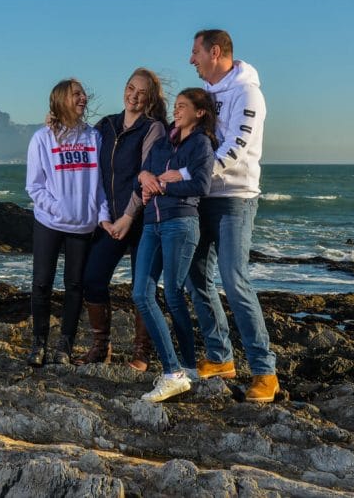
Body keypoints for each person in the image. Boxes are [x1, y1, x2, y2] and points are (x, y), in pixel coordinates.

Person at [182, 28, 280, 403]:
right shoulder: (207, 96)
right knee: (194, 276)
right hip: (203, 197)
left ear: (215, 52)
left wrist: (190, 175)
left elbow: (236, 147)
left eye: (195, 52)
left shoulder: (248, 93)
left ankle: (264, 371)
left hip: (235, 198)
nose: (191, 59)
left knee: (234, 280)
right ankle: (221, 357)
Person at [76, 68, 167, 369]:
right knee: (92, 278)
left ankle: (142, 352)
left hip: (144, 221)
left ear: (150, 98)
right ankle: (102, 347)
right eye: (130, 88)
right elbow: (81, 146)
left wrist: (129, 216)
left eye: (141, 92)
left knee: (142, 289)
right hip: (111, 222)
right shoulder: (106, 126)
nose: (134, 96)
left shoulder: (153, 129)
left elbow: (146, 174)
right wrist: (55, 122)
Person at [131, 88, 217, 402]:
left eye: (183, 107)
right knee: (141, 293)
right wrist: (144, 177)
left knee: (172, 293)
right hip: (151, 225)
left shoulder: (201, 144)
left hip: (181, 222)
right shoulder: (162, 142)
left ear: (200, 112)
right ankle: (181, 370)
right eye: (176, 106)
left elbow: (201, 185)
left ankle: (179, 371)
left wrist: (165, 184)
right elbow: (143, 175)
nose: (177, 111)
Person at [25, 78, 109, 367]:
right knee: (41, 284)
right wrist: (57, 208)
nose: (83, 97)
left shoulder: (94, 138)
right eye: (76, 94)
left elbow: (100, 185)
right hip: (49, 222)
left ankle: (65, 346)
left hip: (83, 226)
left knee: (74, 286)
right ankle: (38, 344)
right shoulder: (42, 138)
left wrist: (101, 214)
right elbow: (34, 186)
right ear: (62, 99)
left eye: (83, 93)